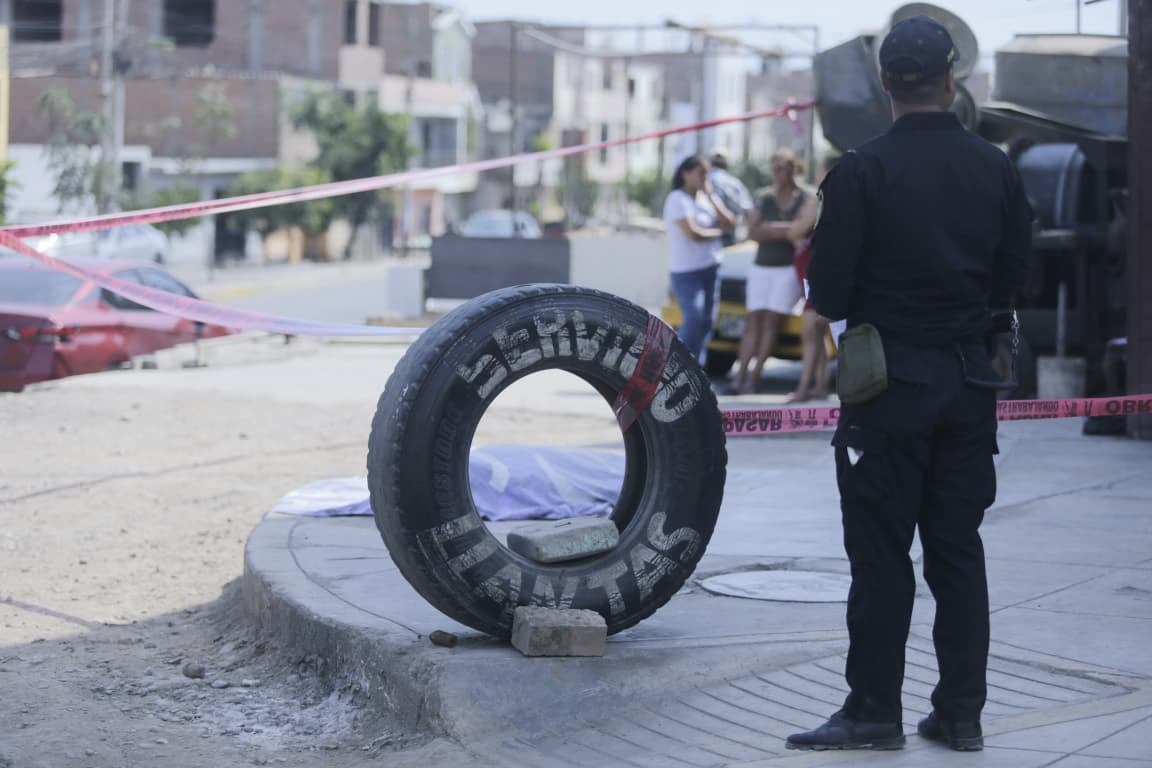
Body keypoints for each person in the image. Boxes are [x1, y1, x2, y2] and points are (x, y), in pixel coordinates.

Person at [785, 15, 1031, 753]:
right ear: (953, 80)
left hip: (886, 392)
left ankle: (873, 712)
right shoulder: (996, 167)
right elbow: (1017, 278)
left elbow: (825, 291)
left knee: (882, 553)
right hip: (967, 384)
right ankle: (960, 714)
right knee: (957, 550)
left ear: (886, 85)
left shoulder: (860, 170)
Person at [728, 149, 809, 395]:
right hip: (762, 266)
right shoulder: (763, 196)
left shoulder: (805, 197)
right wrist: (787, 230)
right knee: (754, 320)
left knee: (771, 322)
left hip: (787, 268)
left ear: (793, 169)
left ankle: (754, 376)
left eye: (782, 166)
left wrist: (771, 228)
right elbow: (753, 231)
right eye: (774, 166)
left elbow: (804, 229)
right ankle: (739, 377)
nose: (777, 171)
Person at [662, 155, 735, 364]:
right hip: (686, 270)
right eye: (700, 173)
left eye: (707, 173)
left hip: (710, 266)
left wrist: (711, 197)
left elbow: (729, 222)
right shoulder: (677, 199)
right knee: (693, 319)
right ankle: (676, 363)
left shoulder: (706, 198)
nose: (705, 177)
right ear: (686, 173)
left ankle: (696, 365)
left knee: (707, 322)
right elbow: (693, 233)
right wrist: (719, 233)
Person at [786, 155, 840, 403]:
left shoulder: (820, 200)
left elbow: (794, 231)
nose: (815, 174)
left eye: (819, 169)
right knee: (816, 332)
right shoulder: (835, 200)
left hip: (816, 276)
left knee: (810, 331)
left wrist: (797, 230)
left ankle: (804, 388)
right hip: (814, 274)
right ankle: (819, 385)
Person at [707, 148, 754, 247]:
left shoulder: (699, 181)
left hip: (701, 237)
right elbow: (747, 211)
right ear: (727, 164)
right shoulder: (734, 183)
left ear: (709, 163)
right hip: (727, 238)